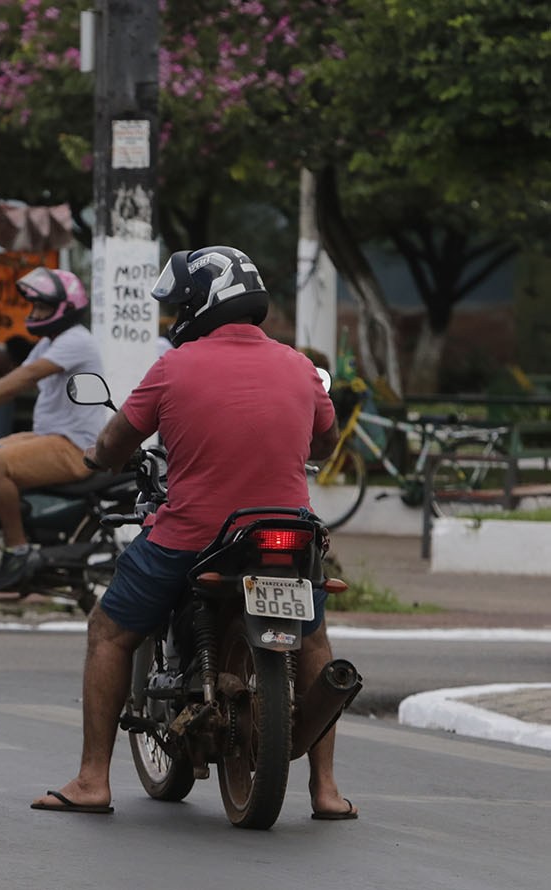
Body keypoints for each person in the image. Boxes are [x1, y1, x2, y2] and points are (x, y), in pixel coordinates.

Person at [31, 245, 355, 820]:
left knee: (108, 630)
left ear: (202, 305)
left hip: (194, 537)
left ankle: (91, 780)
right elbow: (326, 444)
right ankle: (326, 790)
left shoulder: (174, 367)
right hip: (288, 536)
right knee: (314, 644)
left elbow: (114, 442)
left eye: (181, 304)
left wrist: (97, 460)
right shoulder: (300, 366)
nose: (176, 316)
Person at [0, 267, 108, 588]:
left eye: (43, 307)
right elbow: (18, 374)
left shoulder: (75, 340)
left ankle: (18, 548)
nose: (35, 314)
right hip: (48, 437)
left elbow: (27, 376)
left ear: (66, 308)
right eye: (34, 306)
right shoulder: (49, 342)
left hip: (74, 447)